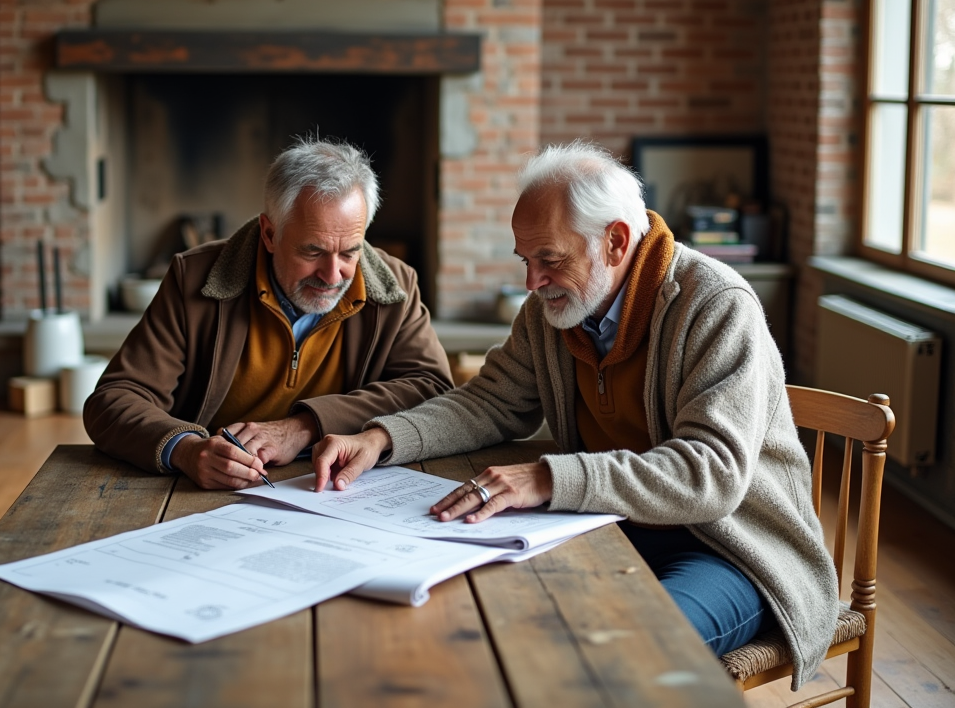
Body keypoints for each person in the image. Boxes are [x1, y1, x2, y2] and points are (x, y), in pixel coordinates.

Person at [311, 140, 838, 690]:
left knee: (618, 655)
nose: (531, 282)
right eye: (526, 260)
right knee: (494, 618)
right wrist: (382, 438)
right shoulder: (554, 310)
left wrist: (547, 476)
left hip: (729, 548)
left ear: (615, 242)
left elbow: (711, 476)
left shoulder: (717, 304)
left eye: (551, 260)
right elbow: (489, 401)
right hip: (608, 522)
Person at [83, 138, 453, 490]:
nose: (332, 274)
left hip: (335, 493)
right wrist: (184, 449)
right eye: (312, 252)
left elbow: (432, 389)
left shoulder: (395, 285)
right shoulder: (193, 278)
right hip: (205, 491)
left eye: (349, 253)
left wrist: (305, 426)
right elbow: (113, 399)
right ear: (270, 234)